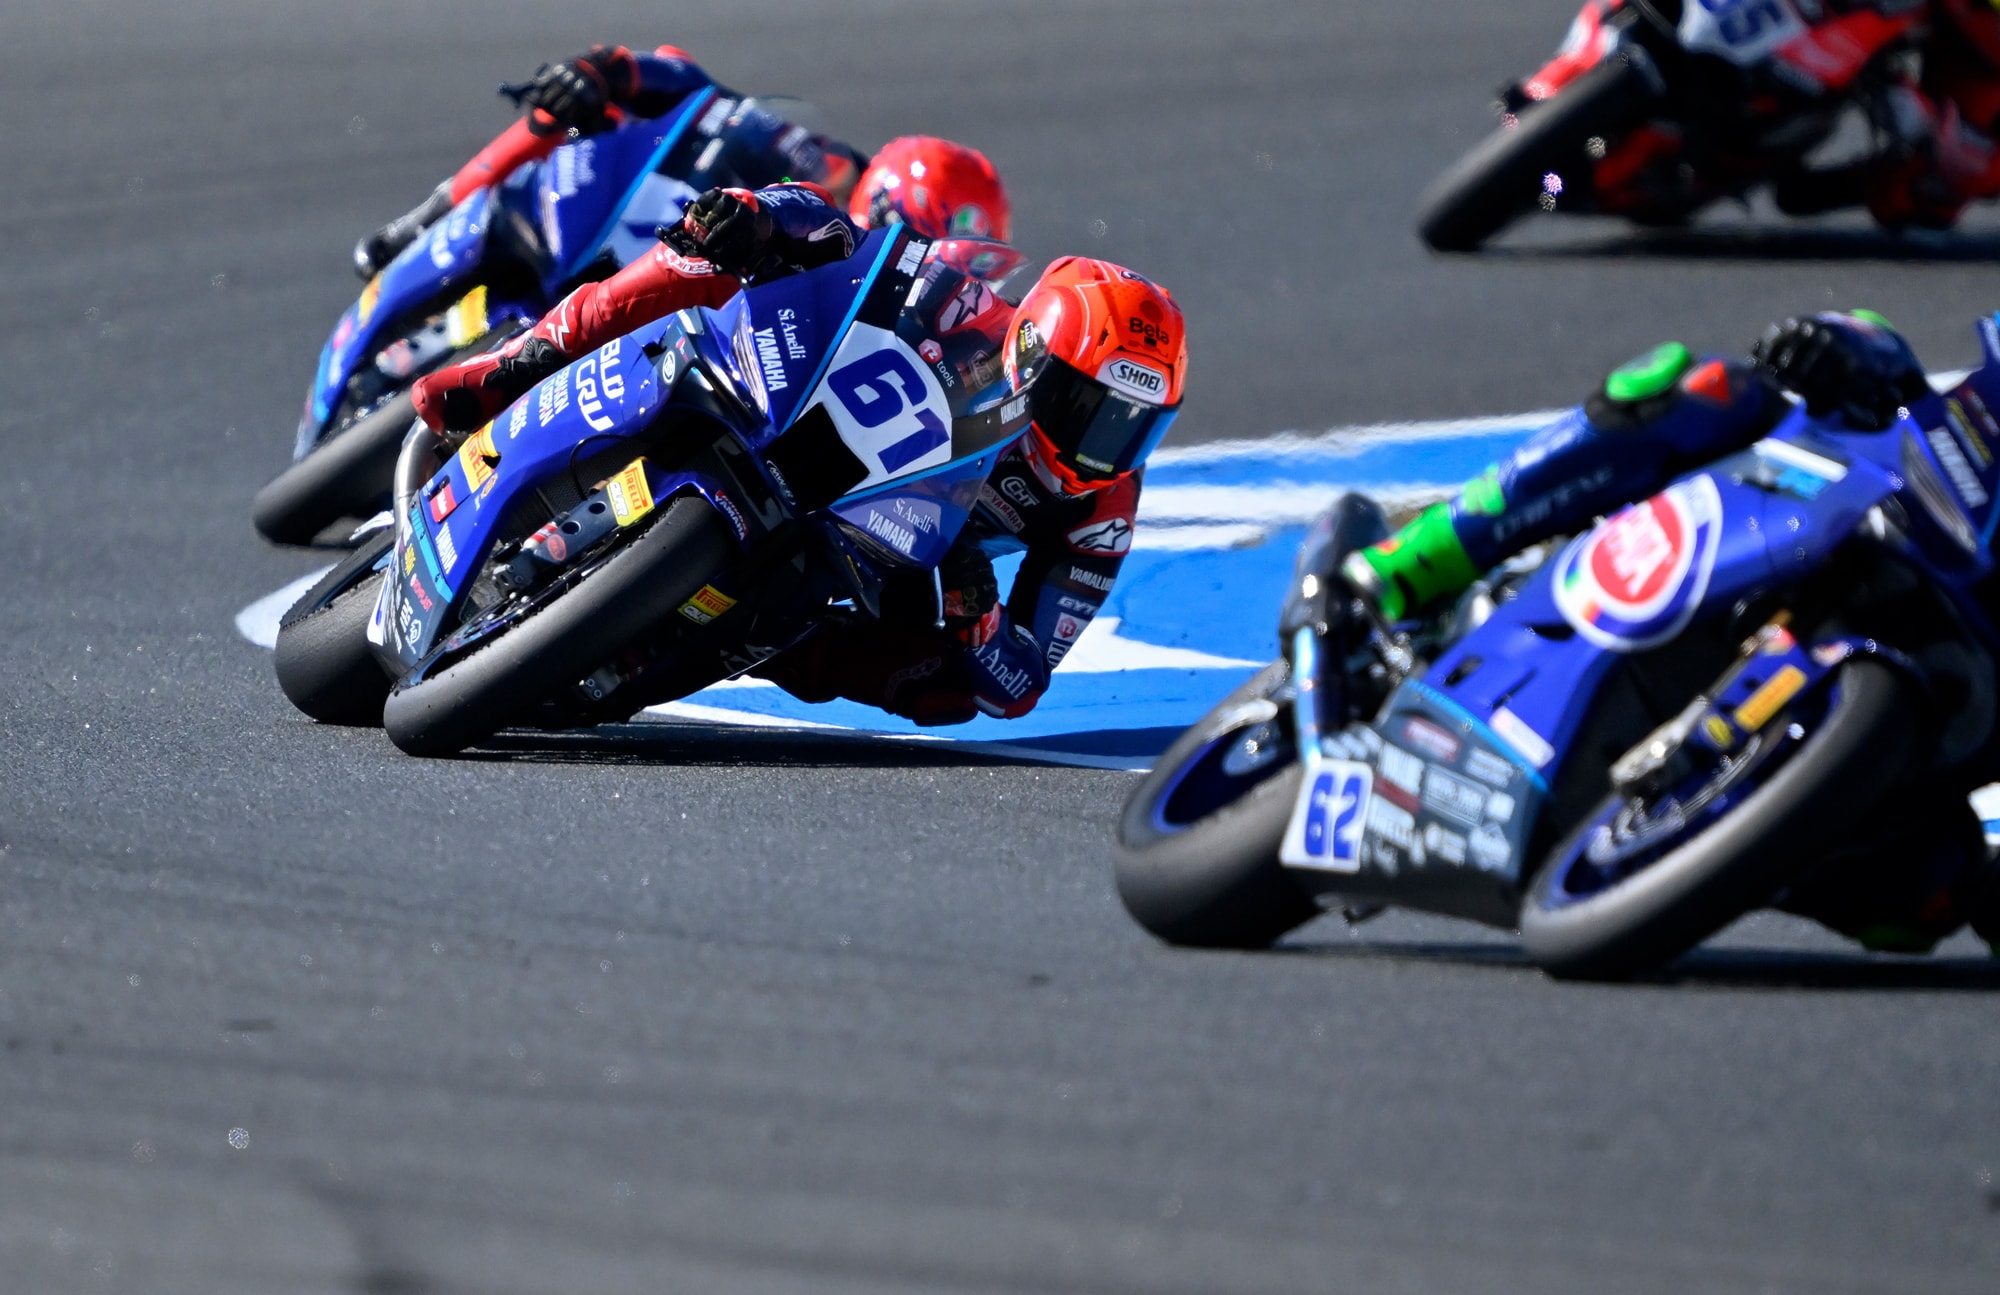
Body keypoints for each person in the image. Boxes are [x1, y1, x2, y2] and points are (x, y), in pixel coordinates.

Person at [1319, 308, 2000, 954]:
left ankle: (1692, 848)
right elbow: (1883, 351)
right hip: (1848, 517)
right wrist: (1850, 347)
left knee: (1924, 899)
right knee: (1705, 389)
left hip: (1918, 730)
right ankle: (1415, 563)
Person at [415, 181, 1185, 726]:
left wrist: (978, 620)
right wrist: (757, 217)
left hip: (887, 548)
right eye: (1087, 409)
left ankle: (673, 650)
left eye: (1133, 428)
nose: (1101, 447)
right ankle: (522, 362)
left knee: (943, 692)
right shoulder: (967, 302)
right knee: (706, 250)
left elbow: (1021, 684)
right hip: (793, 400)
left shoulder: (1101, 514)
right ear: (1035, 350)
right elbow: (849, 238)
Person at [352, 44, 1010, 279]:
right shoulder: (818, 160)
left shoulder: (865, 289)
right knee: (576, 105)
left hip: (679, 298)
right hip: (631, 209)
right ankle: (426, 217)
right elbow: (707, 95)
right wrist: (613, 70)